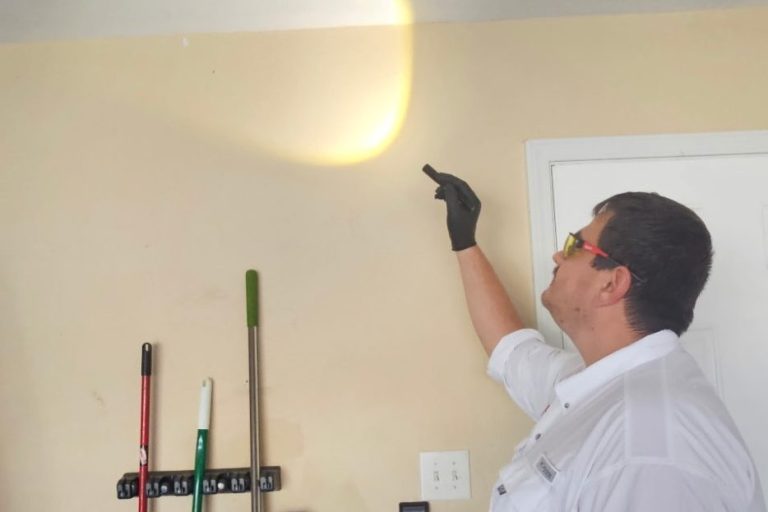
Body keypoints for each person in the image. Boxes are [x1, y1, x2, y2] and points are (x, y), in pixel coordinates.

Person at [423, 164, 765, 511]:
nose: (558, 255)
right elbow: (512, 351)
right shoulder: (594, 384)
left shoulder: (650, 446)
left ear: (612, 283)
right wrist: (465, 242)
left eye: (575, 245)